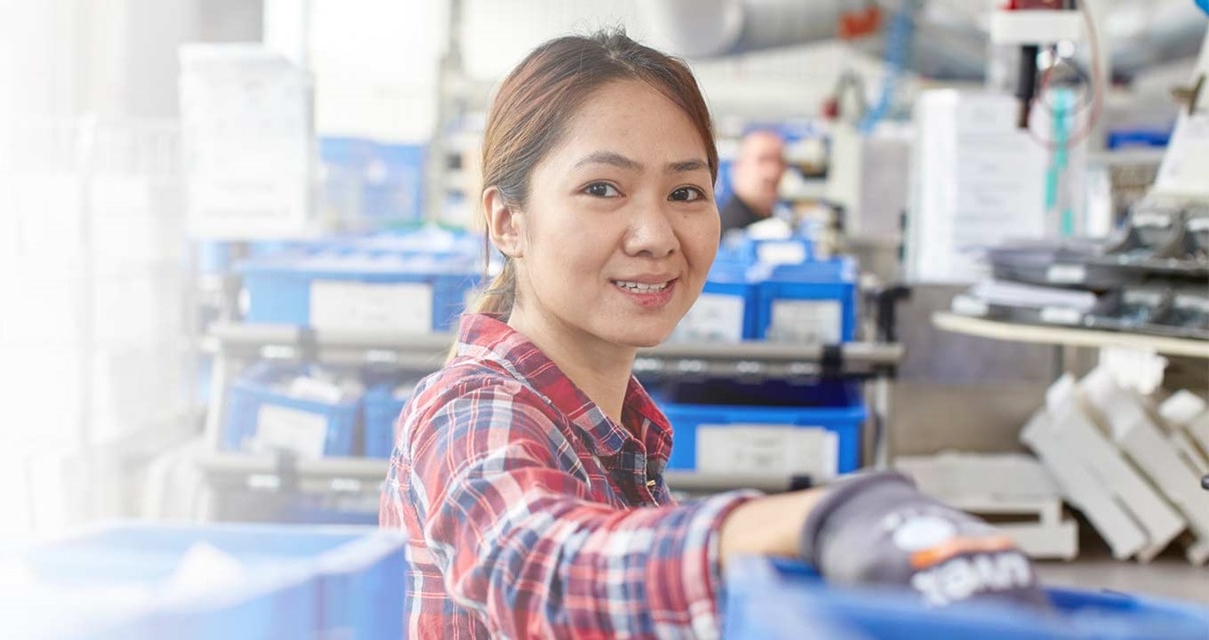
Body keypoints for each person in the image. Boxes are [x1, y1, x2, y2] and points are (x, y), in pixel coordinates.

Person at [381, 30, 1044, 639]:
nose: (655, 237)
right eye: (603, 188)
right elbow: (537, 567)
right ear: (506, 221)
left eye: (686, 193)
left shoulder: (615, 431)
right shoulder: (472, 409)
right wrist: (813, 518)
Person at [718, 130, 786, 238]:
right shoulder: (723, 234)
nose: (773, 172)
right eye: (762, 160)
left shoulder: (780, 223)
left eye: (780, 161)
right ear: (738, 167)